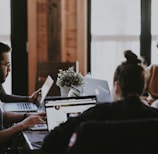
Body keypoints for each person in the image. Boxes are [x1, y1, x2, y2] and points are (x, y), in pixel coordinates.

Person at [41, 50, 158, 154]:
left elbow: (50, 142)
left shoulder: (96, 113)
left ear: (117, 86)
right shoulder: (154, 116)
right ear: (142, 87)